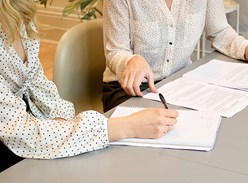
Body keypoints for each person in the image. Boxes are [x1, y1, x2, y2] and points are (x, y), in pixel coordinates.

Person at [0, 0, 178, 172]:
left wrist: (62, 122)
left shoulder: (18, 13)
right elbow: (21, 133)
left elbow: (38, 85)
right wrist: (127, 126)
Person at [102, 0, 248, 112]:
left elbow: (219, 31)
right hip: (128, 90)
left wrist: (246, 48)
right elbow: (115, 51)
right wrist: (131, 61)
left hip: (178, 85)